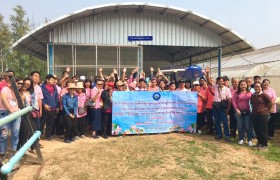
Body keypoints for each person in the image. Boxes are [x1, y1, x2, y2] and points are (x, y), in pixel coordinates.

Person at [205, 67, 232, 142]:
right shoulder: (215, 87)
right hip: (215, 106)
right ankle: (219, 134)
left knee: (225, 121)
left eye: (221, 81)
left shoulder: (227, 89)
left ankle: (227, 135)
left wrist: (228, 109)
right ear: (217, 82)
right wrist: (207, 73)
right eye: (219, 81)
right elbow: (208, 82)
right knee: (216, 121)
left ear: (223, 82)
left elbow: (229, 99)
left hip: (223, 107)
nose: (220, 82)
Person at [0, 72, 20, 157]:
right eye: (17, 83)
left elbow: (18, 101)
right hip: (6, 113)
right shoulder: (5, 89)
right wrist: (10, 109)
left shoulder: (16, 91)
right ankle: (2, 153)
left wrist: (18, 109)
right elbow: (3, 100)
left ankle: (13, 152)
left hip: (16, 114)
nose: (19, 85)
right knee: (4, 135)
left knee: (15, 134)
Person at [250, 82, 272, 150]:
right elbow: (252, 103)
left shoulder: (264, 95)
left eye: (258, 86)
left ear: (261, 87)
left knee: (263, 130)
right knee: (257, 130)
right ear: (254, 88)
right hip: (254, 115)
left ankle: (264, 145)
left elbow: (270, 102)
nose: (257, 88)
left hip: (263, 115)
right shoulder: (253, 95)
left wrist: (267, 110)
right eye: (255, 87)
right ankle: (259, 143)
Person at [232, 80, 253, 146]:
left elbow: (253, 102)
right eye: (241, 84)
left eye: (244, 84)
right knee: (240, 126)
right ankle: (241, 138)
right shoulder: (236, 93)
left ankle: (249, 139)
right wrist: (237, 110)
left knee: (247, 126)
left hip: (247, 112)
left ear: (246, 85)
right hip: (239, 112)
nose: (243, 86)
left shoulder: (250, 93)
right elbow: (234, 102)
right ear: (239, 86)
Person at [41, 74, 59, 141]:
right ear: (47, 80)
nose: (53, 81)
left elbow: (56, 97)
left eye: (54, 80)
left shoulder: (54, 88)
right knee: (42, 123)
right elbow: (40, 98)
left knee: (50, 123)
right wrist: (44, 105)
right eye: (52, 79)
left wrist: (57, 106)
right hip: (45, 108)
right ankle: (39, 135)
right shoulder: (42, 88)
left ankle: (48, 135)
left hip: (53, 108)